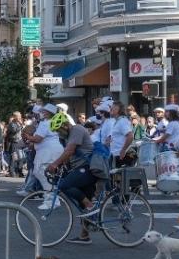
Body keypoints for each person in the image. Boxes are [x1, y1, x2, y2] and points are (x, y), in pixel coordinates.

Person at [47, 113, 97, 243]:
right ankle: (84, 236)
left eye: (59, 129)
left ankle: (90, 204)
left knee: (64, 186)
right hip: (81, 168)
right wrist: (61, 165)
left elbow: (69, 151)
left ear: (65, 125)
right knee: (83, 205)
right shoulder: (67, 135)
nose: (58, 133)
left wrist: (55, 164)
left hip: (88, 168)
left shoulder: (77, 129)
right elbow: (69, 155)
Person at [24, 104, 64, 210]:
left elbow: (38, 139)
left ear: (47, 113)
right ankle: (52, 198)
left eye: (43, 111)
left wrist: (28, 137)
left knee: (42, 172)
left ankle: (51, 200)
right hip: (50, 150)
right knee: (43, 173)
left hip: (48, 152)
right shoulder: (51, 122)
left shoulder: (45, 123)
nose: (40, 113)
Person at [109, 102, 134, 167]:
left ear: (118, 110)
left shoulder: (122, 121)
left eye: (112, 108)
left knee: (121, 176)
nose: (110, 109)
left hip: (122, 156)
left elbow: (130, 136)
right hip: (117, 155)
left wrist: (123, 150)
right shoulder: (116, 121)